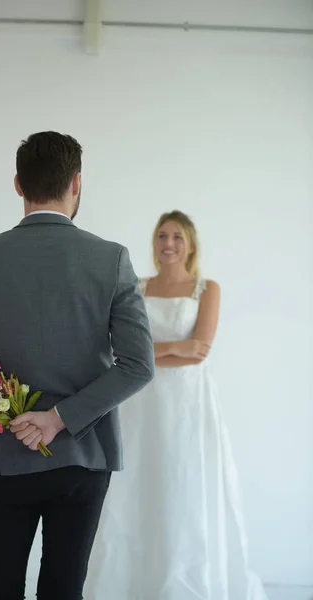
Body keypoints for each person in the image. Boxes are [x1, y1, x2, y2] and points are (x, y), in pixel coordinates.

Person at [0, 131, 154, 600]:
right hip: (83, 456)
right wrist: (60, 419)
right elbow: (138, 365)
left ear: (18, 184)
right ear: (76, 183)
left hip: (2, 459)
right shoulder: (111, 259)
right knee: (63, 589)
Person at [84, 210, 267, 600]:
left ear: (190, 244)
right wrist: (172, 348)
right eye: (162, 236)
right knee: (136, 483)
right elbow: (119, 348)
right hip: (141, 401)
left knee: (184, 481)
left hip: (187, 403)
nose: (168, 244)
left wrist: (155, 353)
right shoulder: (137, 285)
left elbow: (199, 351)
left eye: (177, 237)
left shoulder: (207, 288)